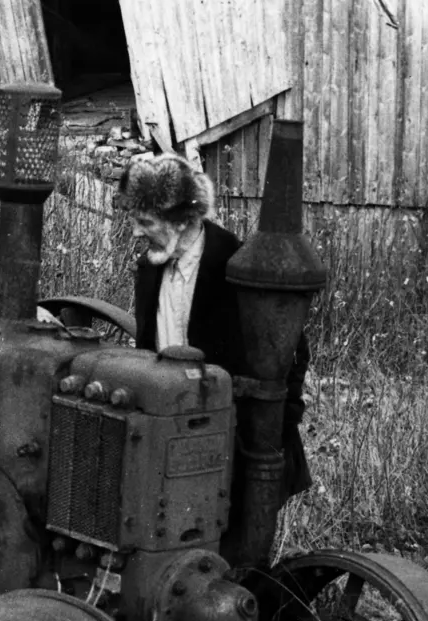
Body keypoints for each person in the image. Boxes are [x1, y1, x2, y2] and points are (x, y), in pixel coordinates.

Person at [116, 152, 312, 501]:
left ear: (179, 220)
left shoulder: (236, 264)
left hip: (233, 440)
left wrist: (273, 428)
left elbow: (292, 349)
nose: (134, 232)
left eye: (145, 222)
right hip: (173, 431)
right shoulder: (150, 268)